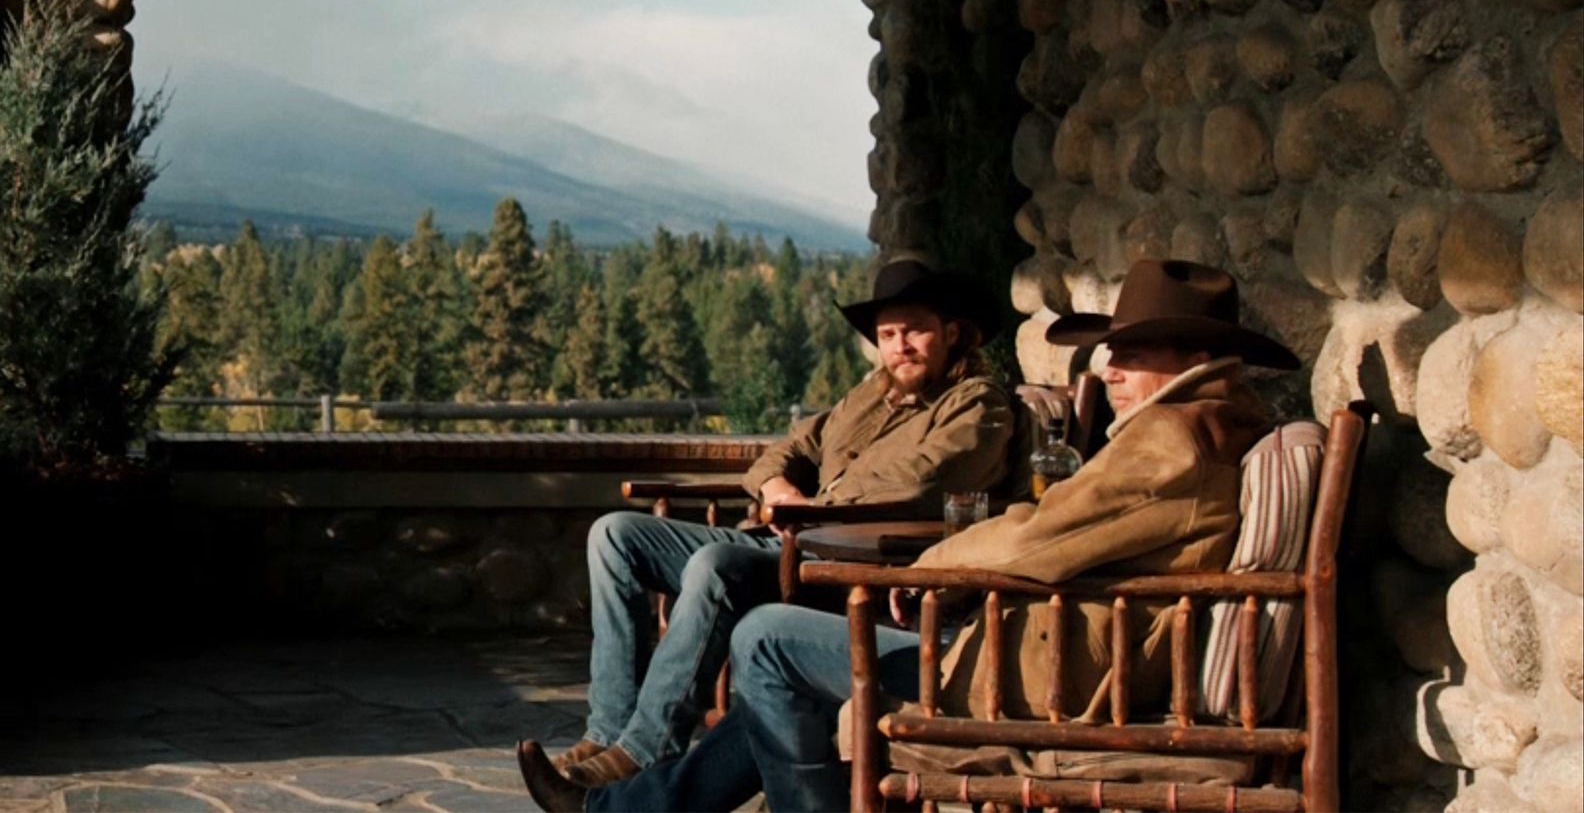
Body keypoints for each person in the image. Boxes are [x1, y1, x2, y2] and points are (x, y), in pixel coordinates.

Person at [519, 259, 1301, 812]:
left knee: (764, 638)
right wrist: (785, 486)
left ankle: (633, 792)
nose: (1113, 365)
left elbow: (1034, 538)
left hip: (1050, 666)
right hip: (1033, 638)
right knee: (662, 566)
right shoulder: (1187, 431)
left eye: (1134, 351)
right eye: (1112, 349)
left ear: (1199, 359)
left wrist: (928, 569)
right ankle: (621, 795)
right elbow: (789, 451)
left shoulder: (1168, 442)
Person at [531, 259, 1017, 789]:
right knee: (616, 535)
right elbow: (784, 451)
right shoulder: (867, 397)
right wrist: (776, 490)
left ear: (951, 332)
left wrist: (812, 509)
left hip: (853, 571)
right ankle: (606, 733)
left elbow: (926, 480)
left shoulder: (978, 405)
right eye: (888, 334)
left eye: (915, 330)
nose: (900, 345)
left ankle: (645, 752)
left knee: (717, 565)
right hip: (784, 543)